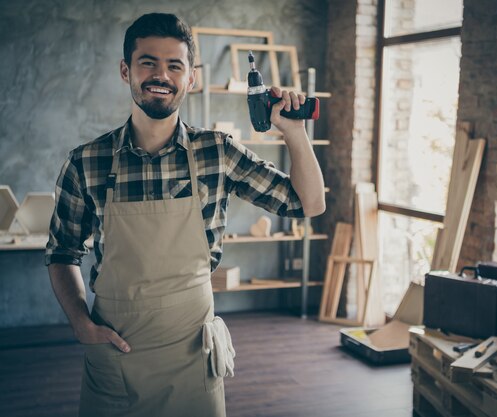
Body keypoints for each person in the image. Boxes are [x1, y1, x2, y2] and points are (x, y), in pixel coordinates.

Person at [45, 13, 325, 417]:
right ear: (126, 70)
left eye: (174, 65)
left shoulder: (218, 153)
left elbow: (308, 204)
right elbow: (62, 252)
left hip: (194, 357)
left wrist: (294, 132)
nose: (161, 75)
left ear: (190, 78)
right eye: (148, 62)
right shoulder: (87, 162)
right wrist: (79, 323)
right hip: (115, 356)